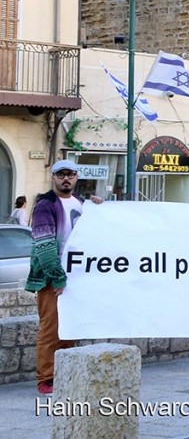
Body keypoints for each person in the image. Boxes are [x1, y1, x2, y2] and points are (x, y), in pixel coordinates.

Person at [25, 160, 104, 395]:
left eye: (70, 174)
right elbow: (44, 244)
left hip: (76, 278)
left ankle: (66, 373)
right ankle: (46, 378)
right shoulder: (45, 205)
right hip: (52, 279)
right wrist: (57, 278)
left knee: (71, 327)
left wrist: (100, 206)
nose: (66, 179)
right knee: (50, 328)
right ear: (53, 178)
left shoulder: (82, 204)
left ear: (77, 177)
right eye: (61, 174)